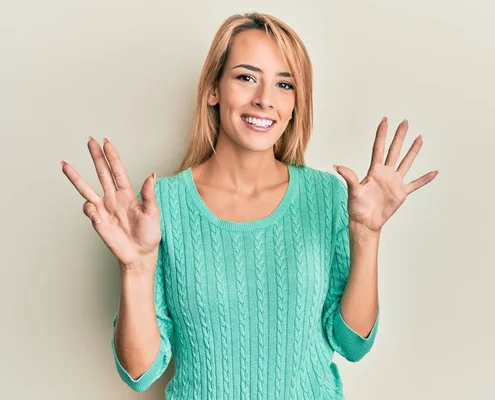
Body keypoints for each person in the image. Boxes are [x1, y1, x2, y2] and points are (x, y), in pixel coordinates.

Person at [61, 12, 438, 400]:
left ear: (295, 104)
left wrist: (367, 234)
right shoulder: (161, 208)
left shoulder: (327, 196)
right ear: (213, 89)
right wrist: (136, 268)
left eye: (284, 84)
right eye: (246, 77)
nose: (264, 99)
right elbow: (140, 374)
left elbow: (352, 343)